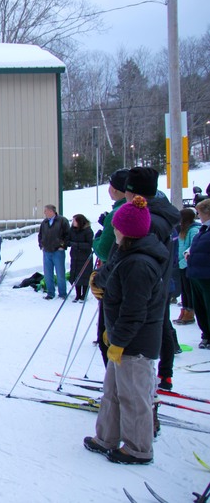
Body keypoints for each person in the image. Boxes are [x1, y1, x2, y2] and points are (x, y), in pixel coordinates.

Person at [83, 196, 167, 465]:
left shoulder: (139, 264)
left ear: (125, 231)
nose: (113, 230)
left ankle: (138, 448)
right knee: (113, 392)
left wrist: (118, 340)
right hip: (121, 336)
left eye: (117, 227)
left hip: (135, 342)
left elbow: (135, 311)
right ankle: (106, 437)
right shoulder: (126, 252)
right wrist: (98, 280)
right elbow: (111, 272)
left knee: (134, 396)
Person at [123, 167, 180, 391]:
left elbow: (138, 261)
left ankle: (148, 397)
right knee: (159, 326)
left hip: (147, 290)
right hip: (156, 287)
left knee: (139, 350)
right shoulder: (156, 215)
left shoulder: (150, 220)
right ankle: (162, 377)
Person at [91, 169, 130, 365]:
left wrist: (97, 240)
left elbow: (105, 251)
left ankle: (115, 387)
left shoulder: (119, 213)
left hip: (114, 279)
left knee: (108, 335)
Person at [188, 199, 210, 348]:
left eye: (200, 213)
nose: (198, 216)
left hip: (207, 275)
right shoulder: (202, 230)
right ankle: (206, 335)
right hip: (196, 274)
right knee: (200, 307)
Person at [38, 204, 70, 300]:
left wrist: (63, 245)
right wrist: (41, 245)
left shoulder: (62, 221)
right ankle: (50, 293)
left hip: (58, 251)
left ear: (51, 211)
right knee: (48, 273)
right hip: (47, 251)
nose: (44, 213)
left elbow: (68, 234)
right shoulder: (44, 222)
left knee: (60, 273)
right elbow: (40, 235)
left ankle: (62, 293)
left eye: (46, 211)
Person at [175, 208, 200, 325]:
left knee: (189, 290)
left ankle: (190, 312)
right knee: (184, 290)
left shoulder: (194, 230)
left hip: (187, 265)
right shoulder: (183, 230)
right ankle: (185, 309)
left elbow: (192, 249)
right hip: (182, 264)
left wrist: (183, 262)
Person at [67, 214, 94, 302]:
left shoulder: (88, 231)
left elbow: (90, 244)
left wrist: (76, 245)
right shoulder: (72, 230)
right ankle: (78, 295)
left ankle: (84, 295)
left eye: (74, 220)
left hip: (85, 257)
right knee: (75, 275)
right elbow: (68, 239)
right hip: (75, 256)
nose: (73, 222)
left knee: (85, 276)